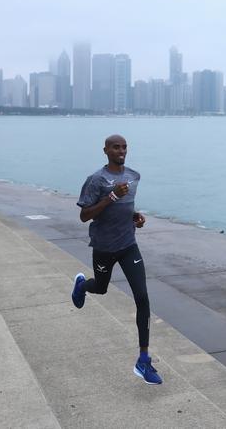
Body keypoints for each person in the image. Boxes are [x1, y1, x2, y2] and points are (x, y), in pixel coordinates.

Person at [72, 134, 162, 385]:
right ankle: (81, 286)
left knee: (142, 299)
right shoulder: (96, 180)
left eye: (124, 147)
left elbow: (125, 206)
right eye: (116, 147)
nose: (121, 150)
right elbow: (84, 215)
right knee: (100, 288)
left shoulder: (133, 176)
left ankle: (143, 360)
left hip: (128, 246)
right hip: (103, 248)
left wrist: (135, 216)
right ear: (105, 150)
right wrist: (111, 197)